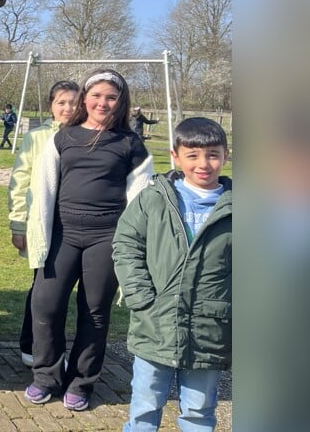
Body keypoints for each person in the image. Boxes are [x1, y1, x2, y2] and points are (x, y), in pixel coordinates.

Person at [23, 68, 154, 411]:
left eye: (111, 97)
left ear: (120, 102)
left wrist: (131, 246)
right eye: (96, 95)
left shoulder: (131, 144)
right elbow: (44, 187)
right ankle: (45, 376)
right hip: (63, 235)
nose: (103, 102)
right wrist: (38, 233)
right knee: (46, 305)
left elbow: (139, 200)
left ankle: (81, 382)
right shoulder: (63, 138)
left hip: (106, 238)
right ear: (85, 98)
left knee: (94, 312)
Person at [113, 117, 232, 431]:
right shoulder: (154, 200)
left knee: (199, 411)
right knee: (144, 408)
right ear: (176, 157)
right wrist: (140, 296)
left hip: (210, 332)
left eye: (213, 154)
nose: (203, 164)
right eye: (192, 155)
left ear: (226, 156)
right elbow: (126, 244)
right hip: (156, 324)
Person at [7, 80, 81, 368]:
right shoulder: (36, 138)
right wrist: (18, 224)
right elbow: (19, 180)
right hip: (43, 223)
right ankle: (31, 344)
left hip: (75, 223)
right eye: (61, 102)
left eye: (73, 103)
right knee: (42, 286)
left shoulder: (86, 136)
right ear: (51, 105)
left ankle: (55, 349)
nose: (67, 108)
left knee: (64, 290)